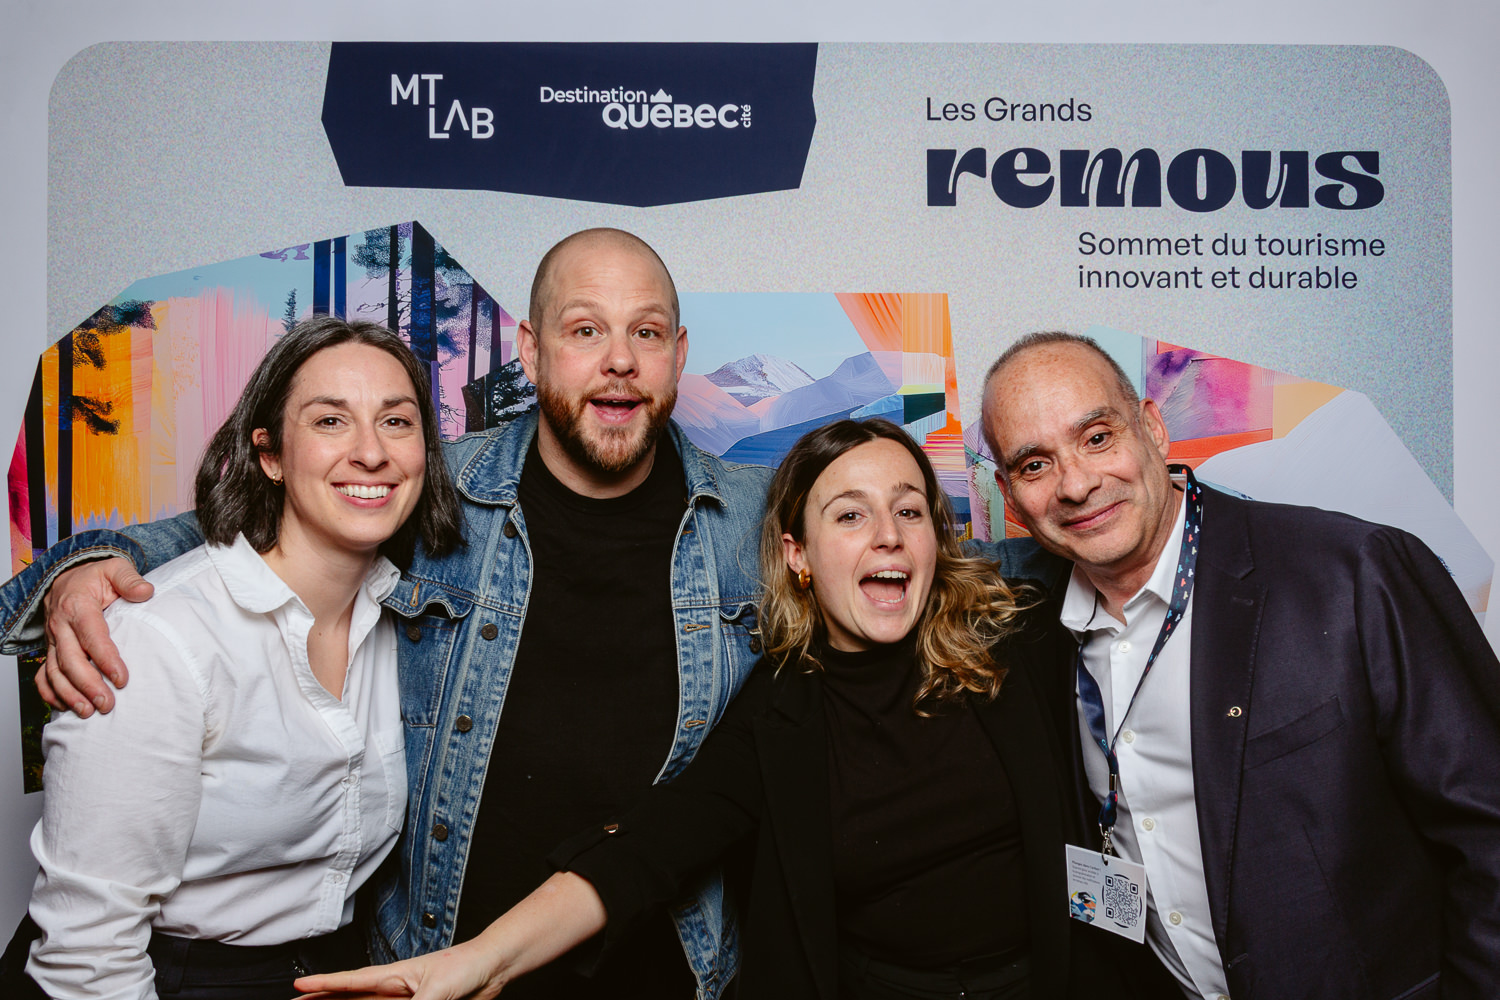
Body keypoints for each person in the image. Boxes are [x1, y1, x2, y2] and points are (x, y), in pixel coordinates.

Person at [0, 229, 796, 999]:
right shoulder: (433, 485)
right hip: (427, 970)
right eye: (585, 329)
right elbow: (264, 516)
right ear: (530, 350)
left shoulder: (758, 519)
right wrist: (96, 563)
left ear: (678, 354)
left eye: (645, 332)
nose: (619, 359)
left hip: (670, 971)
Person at [294, 417, 1090, 1000]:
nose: (887, 534)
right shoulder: (779, 712)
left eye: (909, 510)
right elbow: (646, 851)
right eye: (849, 514)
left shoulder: (1019, 645)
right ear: (798, 555)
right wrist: (481, 959)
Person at [977, 330, 1500, 1000]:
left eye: (1098, 437)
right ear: (1009, 493)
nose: (1076, 484)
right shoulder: (1034, 635)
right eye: (1034, 465)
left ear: (1153, 427)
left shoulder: (1353, 573)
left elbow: (1488, 833)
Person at [6, 316, 464, 999]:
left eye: (396, 422)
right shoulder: (161, 639)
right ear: (270, 455)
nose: (371, 452)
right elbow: (87, 954)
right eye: (330, 421)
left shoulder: (404, 618)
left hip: (333, 972)